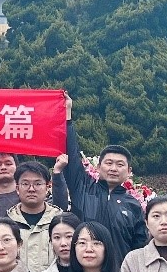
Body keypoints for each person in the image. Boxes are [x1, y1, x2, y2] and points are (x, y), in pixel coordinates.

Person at [62, 99, 147, 260]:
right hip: (83, 269)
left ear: (129, 172)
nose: (113, 168)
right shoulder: (83, 188)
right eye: (108, 163)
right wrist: (67, 117)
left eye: (120, 164)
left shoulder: (133, 205)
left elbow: (139, 248)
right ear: (98, 166)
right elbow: (71, 155)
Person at [6, 161, 62, 272]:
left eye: (38, 184)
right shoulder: (7, 223)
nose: (31, 189)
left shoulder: (60, 222)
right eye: (25, 184)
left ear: (47, 187)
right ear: (17, 188)